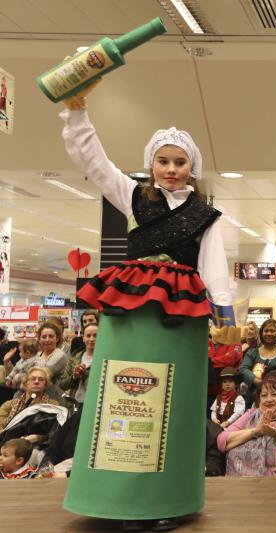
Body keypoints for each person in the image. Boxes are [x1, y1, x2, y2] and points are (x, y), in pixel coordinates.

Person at [60, 81, 235, 529]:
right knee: (120, 400)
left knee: (175, 404)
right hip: (130, 311)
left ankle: (167, 501)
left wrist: (226, 312)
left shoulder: (207, 216)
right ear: (151, 164)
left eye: (180, 162)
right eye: (164, 160)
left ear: (192, 167)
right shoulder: (133, 195)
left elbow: (214, 266)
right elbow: (94, 162)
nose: (171, 169)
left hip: (183, 316)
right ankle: (116, 499)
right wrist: (77, 112)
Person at [217, 369, 276, 477]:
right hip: (242, 483)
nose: (269, 399)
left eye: (274, 394)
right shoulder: (250, 415)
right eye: (264, 395)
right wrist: (255, 432)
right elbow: (222, 441)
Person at [240, 319, 276, 396]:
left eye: (272, 331)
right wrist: (257, 381)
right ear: (261, 333)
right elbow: (243, 369)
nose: (269, 333)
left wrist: (268, 384)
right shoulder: (252, 352)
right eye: (266, 331)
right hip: (253, 397)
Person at [0, 367, 60, 432]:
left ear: (45, 384)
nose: (36, 381)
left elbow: (53, 430)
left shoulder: (52, 405)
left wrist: (37, 437)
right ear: (26, 383)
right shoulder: (8, 405)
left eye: (41, 379)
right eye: (33, 379)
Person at [58, 323, 98, 404]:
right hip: (75, 404)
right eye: (88, 335)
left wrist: (86, 374)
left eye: (95, 335)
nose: (91, 339)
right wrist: (74, 377)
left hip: (93, 405)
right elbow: (62, 384)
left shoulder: (103, 359)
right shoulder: (74, 358)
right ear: (83, 338)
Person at [27, 323, 67, 391]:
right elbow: (24, 372)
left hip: (52, 395)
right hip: (34, 392)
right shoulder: (37, 354)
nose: (47, 339)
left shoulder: (60, 355)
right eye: (44, 337)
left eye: (51, 336)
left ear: (57, 338)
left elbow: (43, 375)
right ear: (39, 339)